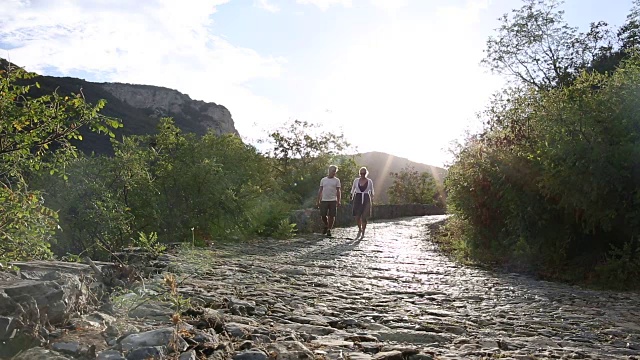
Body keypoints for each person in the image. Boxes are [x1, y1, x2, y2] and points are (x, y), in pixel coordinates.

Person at [316, 165, 341, 237]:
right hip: (324, 200)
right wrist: (318, 200)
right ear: (329, 171)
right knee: (323, 215)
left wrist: (339, 200)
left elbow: (338, 191)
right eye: (333, 171)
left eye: (335, 172)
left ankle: (329, 229)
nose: (334, 173)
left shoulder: (337, 180)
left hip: (333, 200)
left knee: (332, 215)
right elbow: (320, 190)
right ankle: (326, 225)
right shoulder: (323, 180)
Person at [350, 166, 374, 240]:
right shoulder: (356, 180)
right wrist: (351, 195)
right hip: (358, 198)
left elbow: (372, 191)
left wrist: (372, 198)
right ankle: (359, 228)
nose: (362, 174)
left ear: (366, 173)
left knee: (364, 216)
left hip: (366, 198)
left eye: (364, 173)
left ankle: (363, 231)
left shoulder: (369, 181)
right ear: (359, 173)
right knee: (357, 216)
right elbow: (353, 189)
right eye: (361, 173)